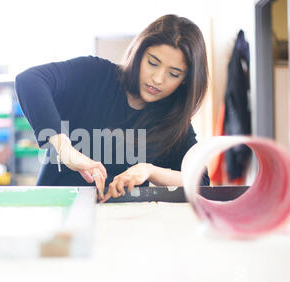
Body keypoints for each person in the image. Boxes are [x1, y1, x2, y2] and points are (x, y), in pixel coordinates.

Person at [15, 14, 210, 202]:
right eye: (152, 63)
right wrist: (66, 151)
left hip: (123, 225)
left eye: (174, 74)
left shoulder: (173, 122)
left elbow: (200, 183)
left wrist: (150, 171)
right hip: (58, 211)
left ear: (186, 80)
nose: (158, 79)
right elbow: (30, 80)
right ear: (139, 53)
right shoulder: (95, 74)